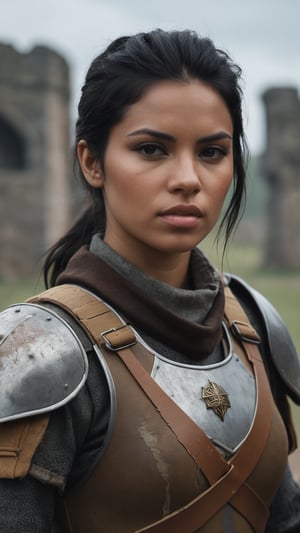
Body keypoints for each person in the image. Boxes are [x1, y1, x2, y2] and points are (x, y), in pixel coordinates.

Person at [0, 28, 300, 533]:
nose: (188, 178)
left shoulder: (252, 323)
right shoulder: (35, 356)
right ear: (92, 162)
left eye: (211, 152)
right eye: (152, 150)